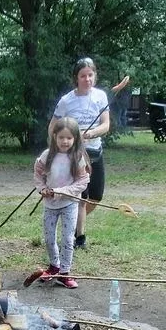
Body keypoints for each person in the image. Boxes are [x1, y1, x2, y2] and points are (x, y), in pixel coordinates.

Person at [49, 58, 129, 250]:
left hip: (95, 151)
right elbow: (53, 126)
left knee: (96, 196)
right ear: (76, 78)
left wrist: (92, 133)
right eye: (83, 76)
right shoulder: (66, 101)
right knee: (81, 197)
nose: (87, 79)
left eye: (90, 75)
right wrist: (58, 147)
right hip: (75, 154)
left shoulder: (101, 96)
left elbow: (106, 125)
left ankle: (72, 222)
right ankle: (80, 237)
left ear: (95, 76)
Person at [31, 117, 90, 288]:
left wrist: (62, 191)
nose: (65, 141)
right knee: (49, 238)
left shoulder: (77, 157)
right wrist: (42, 189)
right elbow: (38, 175)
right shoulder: (46, 155)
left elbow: (82, 182)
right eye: (61, 137)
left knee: (67, 239)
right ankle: (54, 266)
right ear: (54, 136)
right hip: (50, 205)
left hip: (69, 204)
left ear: (75, 139)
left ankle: (64, 273)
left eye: (69, 138)